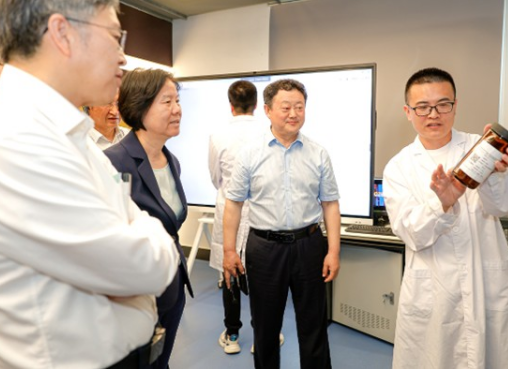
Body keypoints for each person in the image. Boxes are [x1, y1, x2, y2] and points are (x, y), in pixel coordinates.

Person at [0, 0, 180, 368]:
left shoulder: (66, 133)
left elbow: (133, 243)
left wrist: (139, 233)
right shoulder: (16, 136)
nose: (123, 56)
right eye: (114, 36)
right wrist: (147, 235)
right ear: (63, 33)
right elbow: (141, 268)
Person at [382, 67, 508, 369]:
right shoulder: (399, 167)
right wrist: (442, 204)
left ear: (455, 106)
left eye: (443, 104)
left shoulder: (480, 149)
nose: (433, 114)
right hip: (434, 291)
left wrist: (497, 175)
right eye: (423, 107)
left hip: (488, 284)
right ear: (408, 112)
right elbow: (412, 234)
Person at [223, 78, 341, 369]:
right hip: (265, 248)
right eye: (285, 107)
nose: (293, 114)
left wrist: (333, 251)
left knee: (314, 325)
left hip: (309, 245)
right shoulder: (250, 153)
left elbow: (330, 203)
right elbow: (234, 203)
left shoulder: (318, 153)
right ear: (267, 110)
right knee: (265, 327)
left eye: (299, 107)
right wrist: (229, 250)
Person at [105, 68, 194, 369]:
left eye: (178, 101)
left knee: (160, 361)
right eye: (167, 102)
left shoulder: (171, 161)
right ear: (140, 106)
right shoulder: (114, 162)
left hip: (172, 283)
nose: (177, 109)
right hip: (135, 292)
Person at [209, 80, 285, 355]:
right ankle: (264, 335)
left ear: (231, 105)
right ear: (257, 105)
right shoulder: (269, 131)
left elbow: (215, 177)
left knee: (229, 273)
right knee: (262, 277)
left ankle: (232, 335)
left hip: (229, 209)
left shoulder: (218, 135)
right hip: (261, 212)